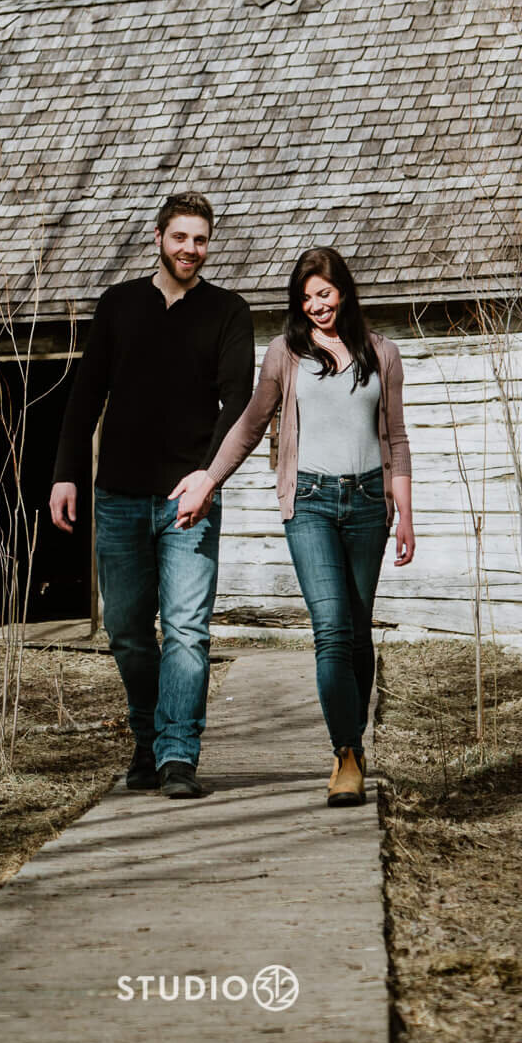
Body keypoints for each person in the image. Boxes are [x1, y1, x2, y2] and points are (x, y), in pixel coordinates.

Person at [171, 245, 413, 808]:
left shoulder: (383, 353)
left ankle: (352, 742)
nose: (315, 307)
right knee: (330, 626)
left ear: (344, 292)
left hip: (368, 506)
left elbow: (396, 439)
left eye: (323, 294)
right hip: (309, 503)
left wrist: (404, 514)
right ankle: (346, 754)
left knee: (356, 628)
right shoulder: (284, 353)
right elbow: (251, 424)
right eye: (305, 298)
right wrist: (209, 478)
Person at [49, 191, 254, 799]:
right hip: (117, 495)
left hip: (188, 498)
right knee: (128, 631)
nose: (191, 249)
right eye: (181, 237)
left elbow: (238, 403)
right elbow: (86, 394)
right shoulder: (118, 306)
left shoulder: (227, 312)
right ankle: (148, 737)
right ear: (159, 237)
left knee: (188, 631)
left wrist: (208, 477)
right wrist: (65, 472)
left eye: (201, 239)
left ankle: (177, 757)